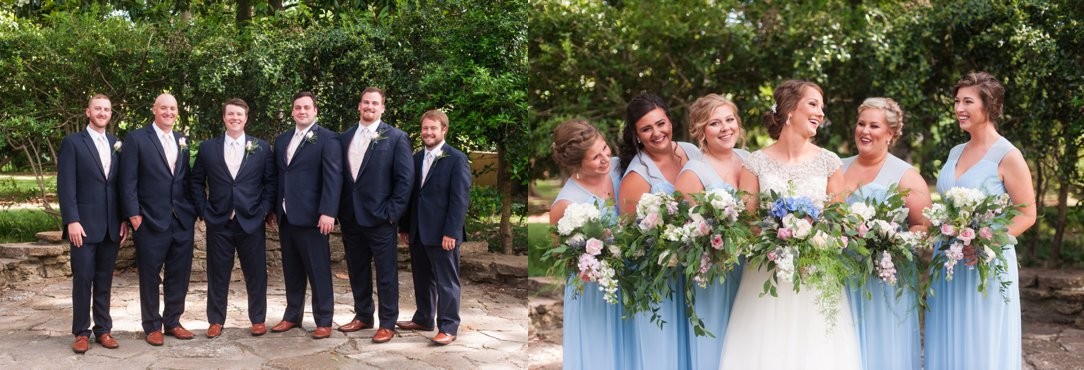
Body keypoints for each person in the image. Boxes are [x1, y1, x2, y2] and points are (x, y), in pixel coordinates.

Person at [721, 80, 861, 369]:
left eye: (822, 107)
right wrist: (778, 244)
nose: (821, 113)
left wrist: (811, 245)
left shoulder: (829, 163)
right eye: (813, 104)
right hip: (768, 273)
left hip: (817, 272)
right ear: (788, 110)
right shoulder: (756, 163)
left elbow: (838, 221)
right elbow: (747, 223)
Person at [925, 72, 1036, 370]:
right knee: (948, 333)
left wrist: (985, 242)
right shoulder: (955, 152)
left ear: (989, 106)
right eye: (957, 101)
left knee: (981, 340)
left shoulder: (1007, 155)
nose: (959, 108)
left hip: (985, 262)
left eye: (968, 101)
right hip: (949, 260)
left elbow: (1027, 213)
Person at [840, 97, 931, 370]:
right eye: (861, 124)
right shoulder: (837, 168)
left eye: (874, 126)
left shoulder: (906, 176)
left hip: (886, 280)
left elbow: (923, 227)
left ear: (890, 134)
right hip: (842, 275)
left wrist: (891, 242)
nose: (865, 131)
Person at [617, 93, 701, 369]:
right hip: (661, 276)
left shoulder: (692, 151)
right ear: (636, 135)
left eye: (660, 123)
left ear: (669, 120)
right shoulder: (636, 177)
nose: (657, 133)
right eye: (646, 128)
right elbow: (632, 239)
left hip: (700, 267)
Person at [548, 119, 632, 369]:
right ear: (576, 164)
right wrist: (592, 264)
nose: (606, 158)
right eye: (595, 157)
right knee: (601, 355)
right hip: (595, 292)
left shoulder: (620, 169)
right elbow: (560, 256)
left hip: (630, 279)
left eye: (605, 148)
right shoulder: (565, 204)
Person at [672, 94, 748, 370]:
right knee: (716, 338)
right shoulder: (694, 173)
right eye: (715, 123)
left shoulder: (750, 159)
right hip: (714, 273)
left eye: (730, 120)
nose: (725, 128)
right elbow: (692, 233)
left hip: (751, 268)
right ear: (700, 130)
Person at [190, 98, 275, 338]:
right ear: (224, 118)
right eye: (231, 114)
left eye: (239, 114)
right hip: (219, 220)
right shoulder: (208, 148)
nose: (235, 118)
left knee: (256, 272)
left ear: (246, 118)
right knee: (217, 273)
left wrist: (262, 212)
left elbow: (270, 184)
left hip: (251, 220)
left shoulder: (261, 148)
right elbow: (196, 182)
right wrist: (205, 210)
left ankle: (258, 319)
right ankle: (216, 320)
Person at [120, 93, 198, 346]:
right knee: (150, 275)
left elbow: (186, 180)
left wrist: (192, 212)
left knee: (180, 274)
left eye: (173, 108)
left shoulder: (182, 140)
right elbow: (127, 181)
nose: (169, 112)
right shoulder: (137, 139)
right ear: (154, 109)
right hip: (149, 220)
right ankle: (152, 325)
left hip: (181, 220)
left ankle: (173, 321)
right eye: (163, 107)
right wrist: (134, 216)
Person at [337, 87, 413, 343]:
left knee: (386, 273)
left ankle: (388, 322)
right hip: (350, 217)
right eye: (366, 102)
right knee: (356, 270)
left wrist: (392, 214)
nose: (369, 106)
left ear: (383, 108)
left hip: (381, 219)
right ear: (359, 106)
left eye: (375, 103)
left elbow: (404, 181)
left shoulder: (396, 137)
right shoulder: (345, 137)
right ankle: (363, 315)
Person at [269, 91, 341, 340]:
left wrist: (328, 212)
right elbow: (279, 176)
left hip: (314, 217)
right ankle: (292, 316)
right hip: (287, 215)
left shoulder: (328, 139)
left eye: (306, 107)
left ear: (315, 111)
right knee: (292, 270)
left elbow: (333, 178)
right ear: (292, 112)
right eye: (297, 107)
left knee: (318, 270)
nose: (302, 111)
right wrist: (273, 209)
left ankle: (323, 320)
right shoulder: (282, 140)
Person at [58, 94, 128, 353]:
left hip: (111, 226)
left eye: (106, 109)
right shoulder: (73, 143)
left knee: (104, 281)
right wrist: (71, 221)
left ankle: (103, 330)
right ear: (88, 112)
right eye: (97, 108)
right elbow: (66, 186)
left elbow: (120, 186)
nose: (102, 112)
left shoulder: (116, 143)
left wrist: (123, 220)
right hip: (83, 227)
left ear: (111, 114)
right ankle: (81, 332)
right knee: (83, 279)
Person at [396, 110, 471, 345]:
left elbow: (459, 199)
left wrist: (452, 231)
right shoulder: (416, 158)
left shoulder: (456, 159)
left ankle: (448, 326)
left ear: (444, 130)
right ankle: (424, 318)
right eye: (425, 128)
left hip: (443, 234)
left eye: (433, 128)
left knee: (446, 282)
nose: (428, 132)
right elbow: (411, 196)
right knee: (421, 278)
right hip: (418, 231)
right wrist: (406, 227)